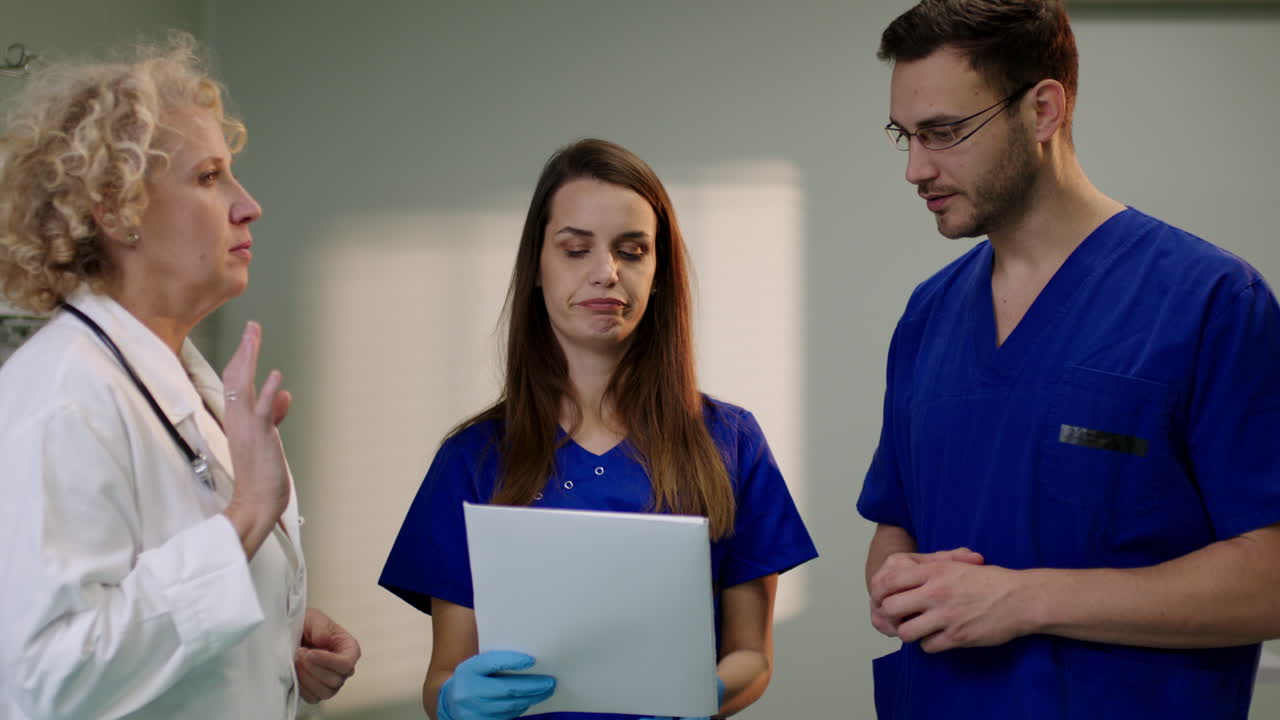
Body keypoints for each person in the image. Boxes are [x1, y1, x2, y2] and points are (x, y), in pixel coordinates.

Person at [858, 1, 1280, 718]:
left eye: (944, 132)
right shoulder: (928, 316)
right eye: (905, 135)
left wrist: (1024, 600)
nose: (915, 168)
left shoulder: (1208, 299)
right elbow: (896, 526)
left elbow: (1270, 577)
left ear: (1044, 110)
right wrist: (896, 579)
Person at [379, 138, 817, 720]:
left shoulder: (730, 442)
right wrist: (455, 702)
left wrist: (698, 695)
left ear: (659, 273)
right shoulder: (473, 457)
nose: (606, 273)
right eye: (576, 249)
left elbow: (750, 656)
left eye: (632, 251)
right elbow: (444, 677)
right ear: (537, 266)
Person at [0, 34, 360, 719]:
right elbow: (46, 682)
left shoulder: (181, 383)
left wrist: (276, 637)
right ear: (115, 209)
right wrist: (247, 518)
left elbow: (160, 609)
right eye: (208, 176)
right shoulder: (62, 399)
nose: (248, 204)